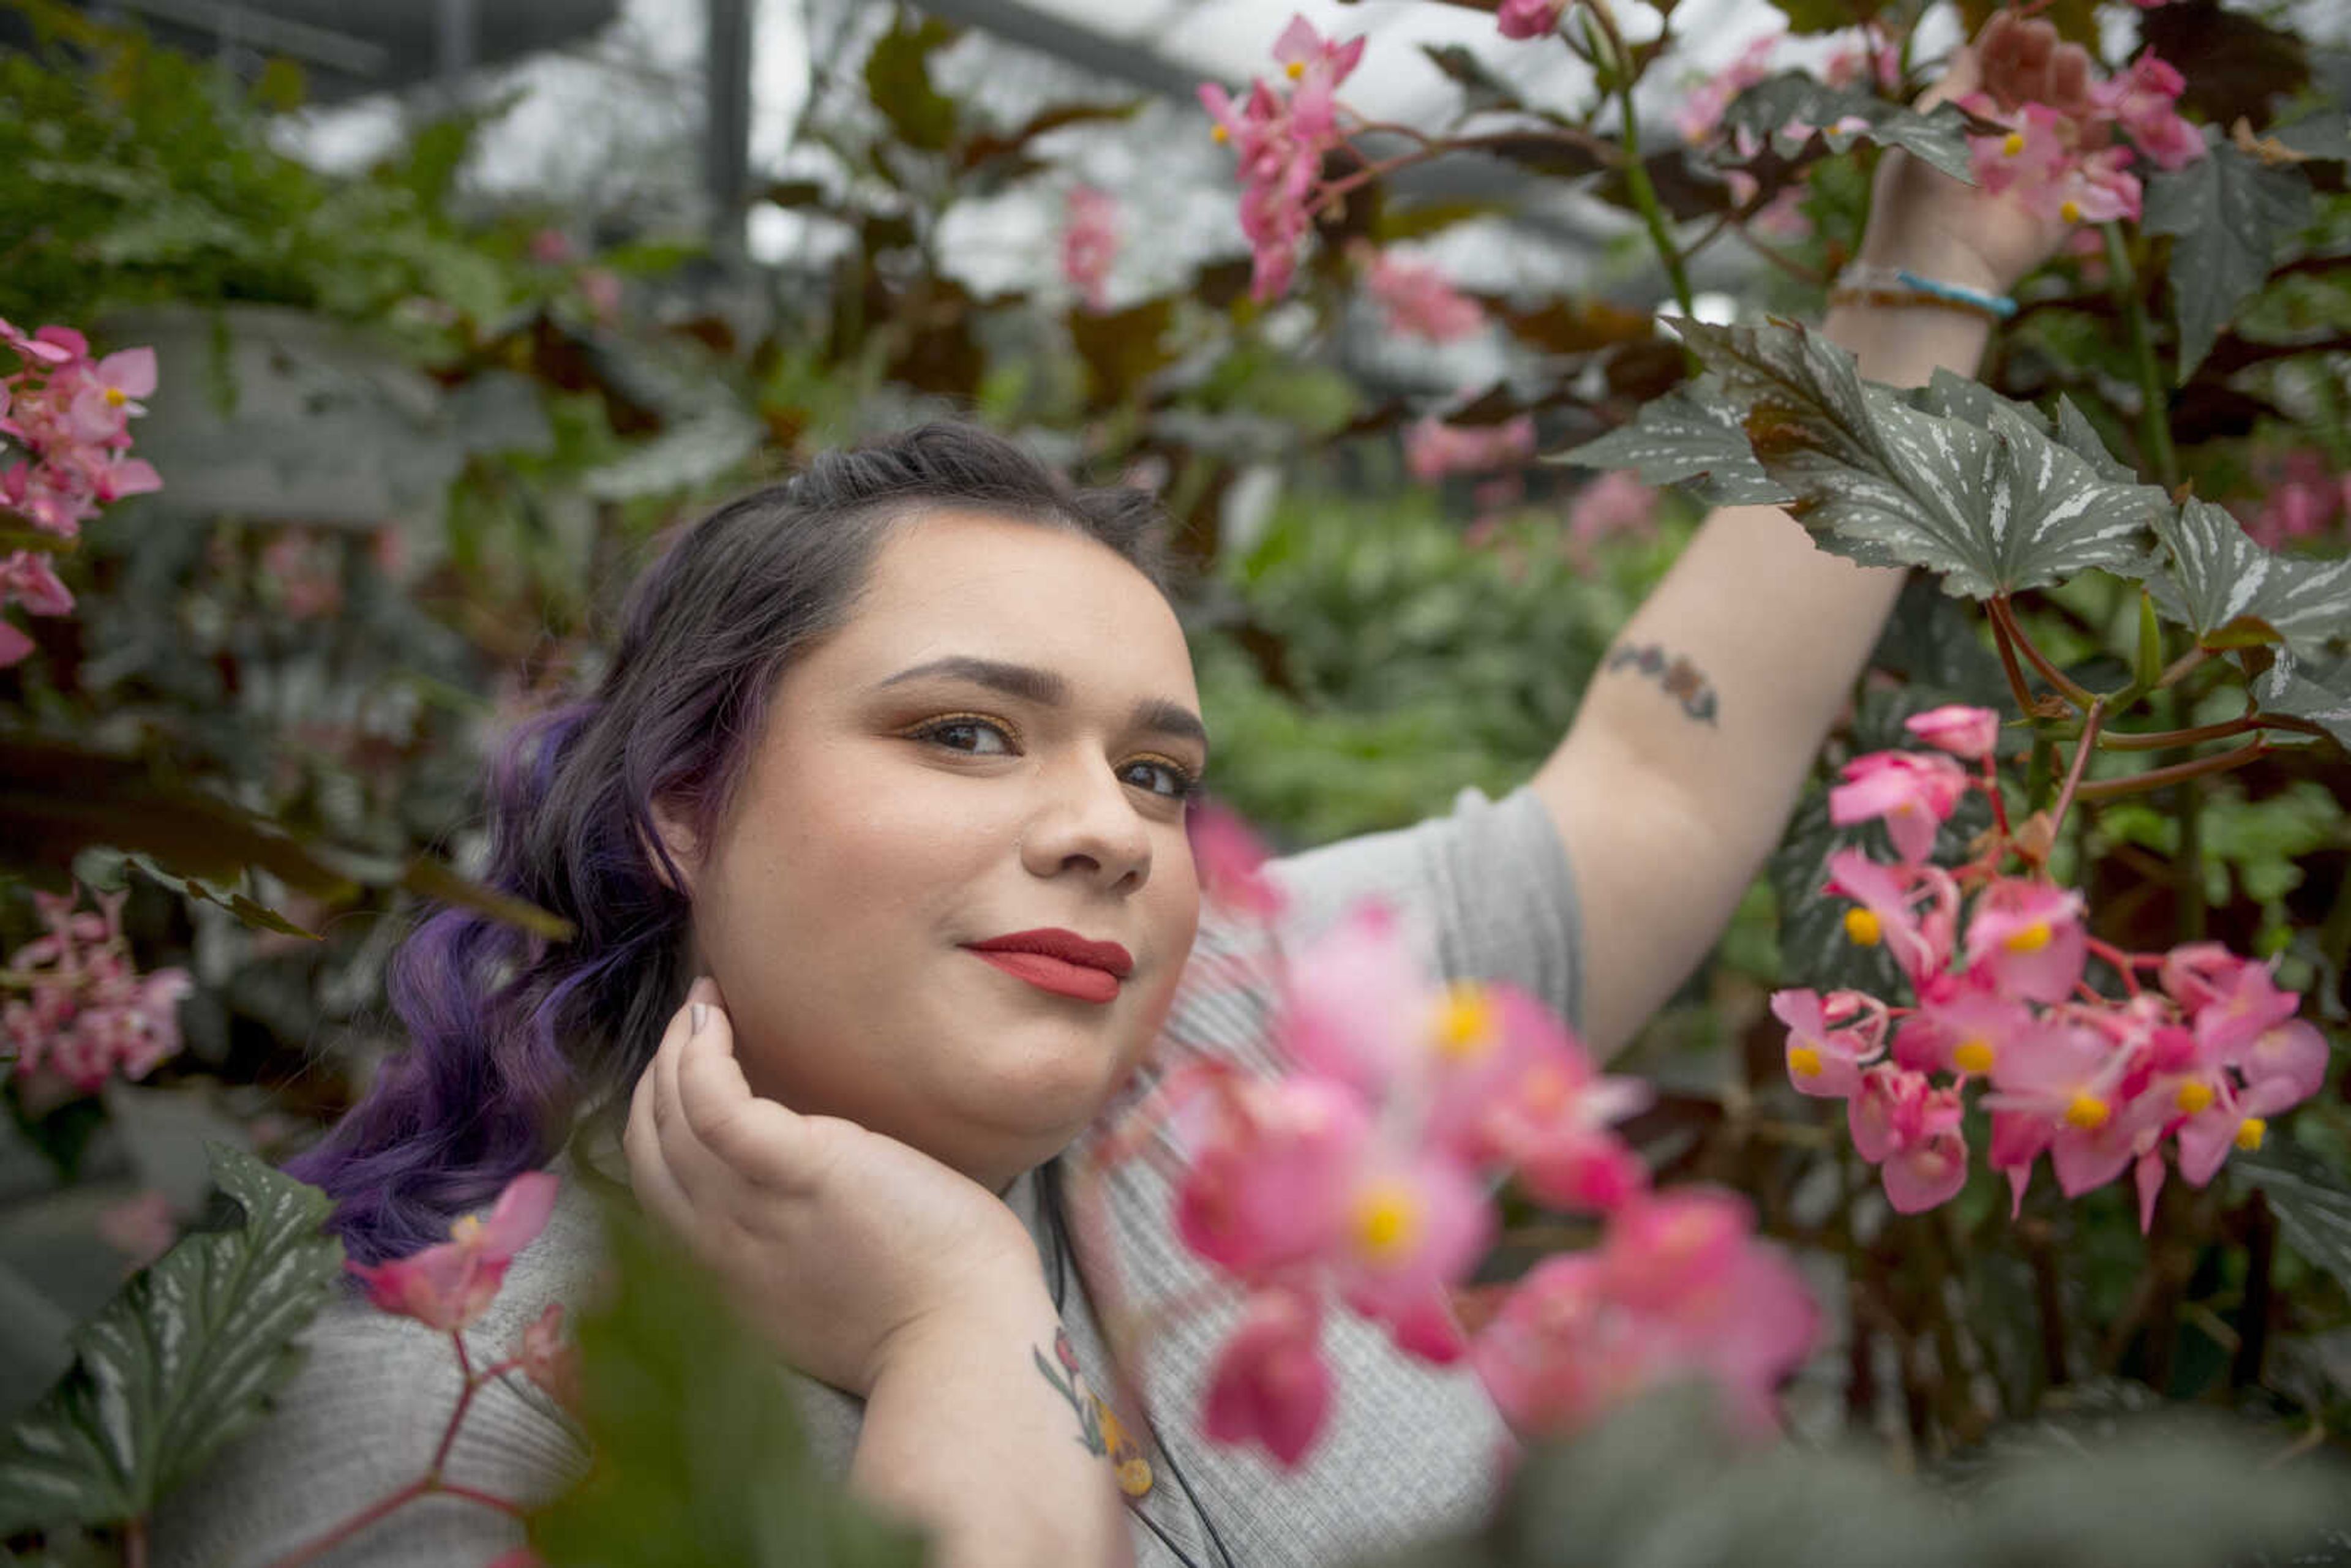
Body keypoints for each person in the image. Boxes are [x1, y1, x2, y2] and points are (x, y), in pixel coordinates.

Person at [157, 16, 2090, 1567]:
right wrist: (948, 1331)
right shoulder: (450, 1424)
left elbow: (1664, 775)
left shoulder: (1234, 1036)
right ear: (681, 796)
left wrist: (1931, 272)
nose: (1111, 828)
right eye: (967, 730)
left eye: (1159, 771)